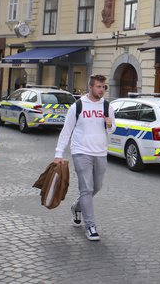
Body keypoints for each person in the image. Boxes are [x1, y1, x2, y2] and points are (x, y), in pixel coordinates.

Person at [53, 74, 116, 241]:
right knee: (86, 188)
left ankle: (76, 207)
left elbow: (111, 129)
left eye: (103, 87)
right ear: (91, 87)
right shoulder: (78, 106)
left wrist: (110, 126)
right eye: (98, 87)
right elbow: (66, 131)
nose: (101, 90)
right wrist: (58, 153)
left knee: (97, 187)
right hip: (81, 151)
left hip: (100, 152)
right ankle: (90, 226)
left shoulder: (107, 106)